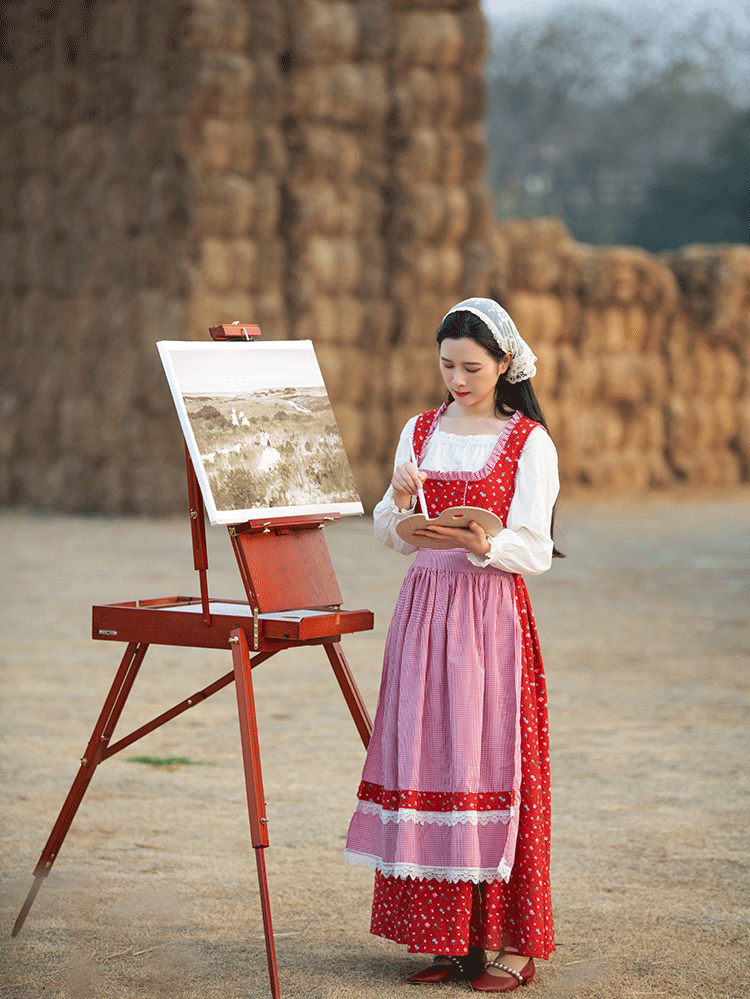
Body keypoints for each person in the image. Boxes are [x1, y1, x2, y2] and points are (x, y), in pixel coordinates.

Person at [345, 298, 560, 992]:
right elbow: (385, 525)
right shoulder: (419, 429)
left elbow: (535, 548)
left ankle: (509, 942)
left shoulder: (530, 440)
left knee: (487, 758)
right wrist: (404, 507)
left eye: (472, 366)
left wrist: (484, 540)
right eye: (447, 365)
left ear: (504, 363)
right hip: (424, 609)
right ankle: (445, 936)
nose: (458, 378)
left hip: (487, 613)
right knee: (429, 757)